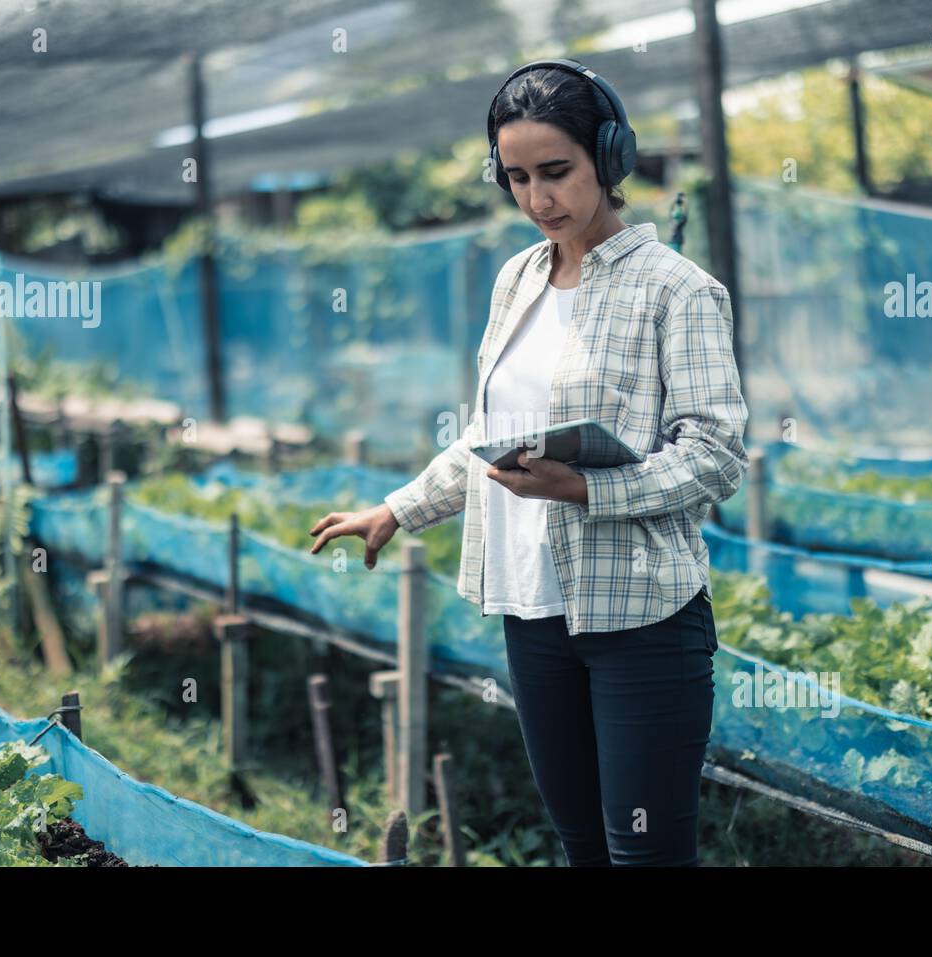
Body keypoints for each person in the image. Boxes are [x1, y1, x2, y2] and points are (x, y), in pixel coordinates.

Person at [309, 58, 749, 866]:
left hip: (641, 618)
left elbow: (716, 456)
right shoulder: (517, 279)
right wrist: (398, 508)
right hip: (533, 613)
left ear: (609, 160)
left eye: (557, 172)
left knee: (646, 855)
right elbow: (488, 430)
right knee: (581, 844)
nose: (538, 199)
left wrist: (585, 486)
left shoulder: (676, 291)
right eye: (516, 178)